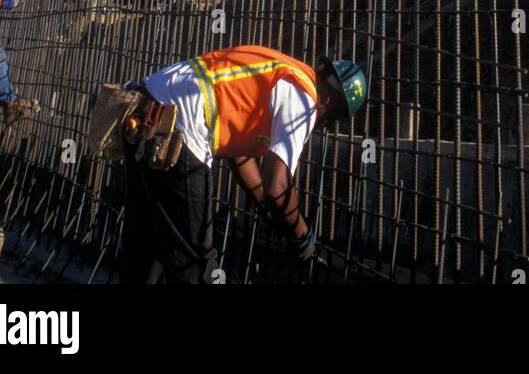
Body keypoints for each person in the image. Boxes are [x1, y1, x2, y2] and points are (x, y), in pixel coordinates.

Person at [118, 44, 367, 285]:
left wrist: (264, 207)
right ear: (331, 105)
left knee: (144, 243)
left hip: (145, 107)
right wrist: (302, 237)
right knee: (194, 266)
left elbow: (240, 158)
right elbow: (277, 187)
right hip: (180, 129)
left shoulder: (283, 71)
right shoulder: (304, 99)